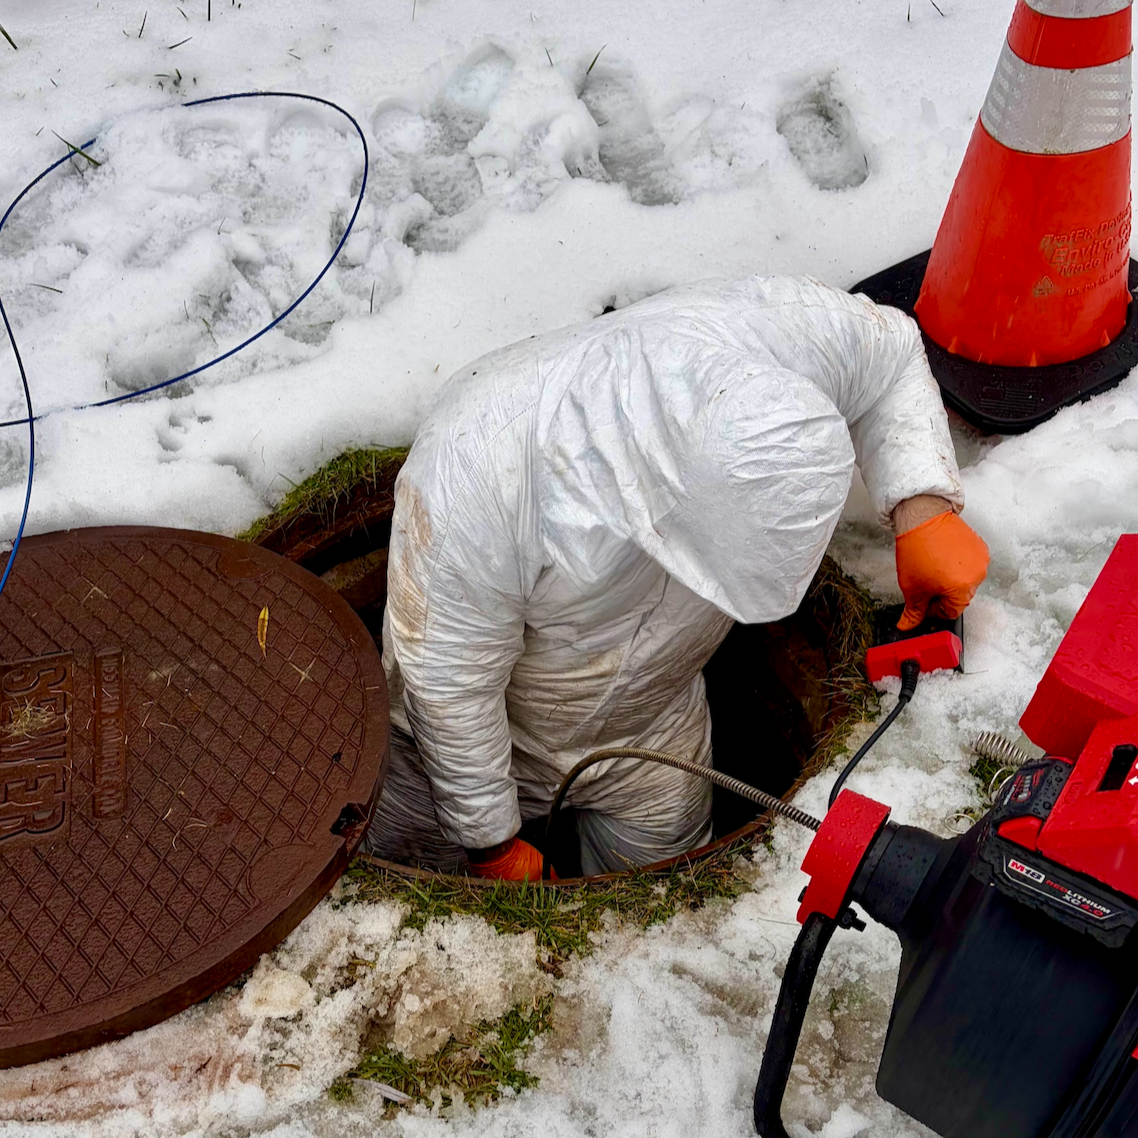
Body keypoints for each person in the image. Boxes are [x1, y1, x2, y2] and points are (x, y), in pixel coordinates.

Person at [365, 275, 989, 880]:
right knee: (411, 879)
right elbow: (449, 685)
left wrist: (922, 505)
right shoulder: (479, 465)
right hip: (464, 741)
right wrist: (488, 840)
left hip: (653, 725)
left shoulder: (778, 330)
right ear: (674, 497)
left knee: (655, 892)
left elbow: (893, 353)